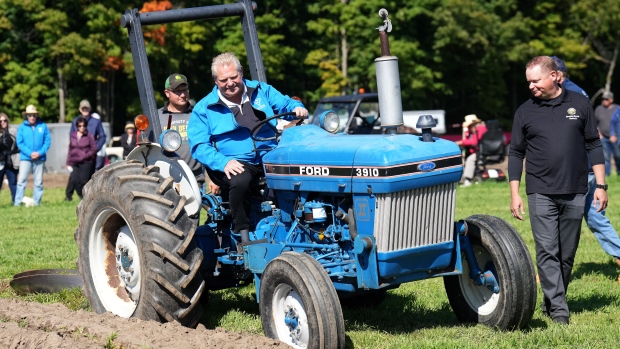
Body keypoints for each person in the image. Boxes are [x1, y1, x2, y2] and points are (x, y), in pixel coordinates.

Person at [509, 56, 606, 325]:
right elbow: (516, 152)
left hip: (576, 188)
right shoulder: (525, 112)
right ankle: (561, 312)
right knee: (547, 250)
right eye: (528, 82)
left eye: (536, 81)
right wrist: (515, 192)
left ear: (554, 76)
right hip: (540, 189)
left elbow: (593, 145)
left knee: (567, 253)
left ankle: (552, 301)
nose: (531, 86)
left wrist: (600, 185)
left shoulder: (579, 103)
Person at [188, 52, 308, 245]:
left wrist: (297, 107)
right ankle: (242, 235)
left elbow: (287, 104)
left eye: (234, 77)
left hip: (268, 156)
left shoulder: (261, 91)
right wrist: (223, 161)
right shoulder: (204, 108)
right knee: (240, 179)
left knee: (299, 172)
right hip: (232, 161)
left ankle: (299, 226)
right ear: (215, 80)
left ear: (241, 72)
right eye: (223, 79)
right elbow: (199, 145)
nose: (230, 83)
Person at [554, 56, 620, 268]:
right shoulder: (578, 92)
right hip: (589, 166)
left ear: (557, 76)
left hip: (578, 168)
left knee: (557, 217)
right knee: (594, 216)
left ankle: (551, 267)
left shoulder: (567, 95)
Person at [158, 73, 205, 184]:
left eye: (185, 90)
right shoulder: (157, 118)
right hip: (165, 180)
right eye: (177, 92)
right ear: (167, 93)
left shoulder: (198, 114)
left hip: (195, 179)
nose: (183, 95)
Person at [14, 105, 52, 207]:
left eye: (34, 115)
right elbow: (20, 143)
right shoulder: (22, 127)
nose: (32, 117)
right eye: (30, 115)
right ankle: (17, 203)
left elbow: (47, 141)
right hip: (25, 158)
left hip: (40, 157)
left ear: (36, 115)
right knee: (21, 181)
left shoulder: (43, 126)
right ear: (27, 116)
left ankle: (37, 202)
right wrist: (30, 153)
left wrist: (39, 153)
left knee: (38, 182)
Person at [65, 116, 97, 201]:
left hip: (86, 162)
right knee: (74, 179)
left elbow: (93, 149)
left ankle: (85, 198)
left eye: (83, 126)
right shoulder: (73, 135)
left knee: (84, 181)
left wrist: (84, 156)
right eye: (79, 126)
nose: (82, 127)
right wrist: (68, 163)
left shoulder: (89, 136)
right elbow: (70, 149)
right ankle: (80, 196)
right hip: (74, 161)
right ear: (77, 126)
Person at [71, 100, 106, 172]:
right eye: (83, 108)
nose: (85, 110)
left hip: (91, 155)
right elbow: (72, 136)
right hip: (78, 154)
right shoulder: (75, 121)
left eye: (86, 108)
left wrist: (96, 148)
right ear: (80, 109)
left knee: (90, 177)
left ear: (90, 109)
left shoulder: (96, 121)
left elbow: (102, 136)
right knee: (77, 179)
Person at [455, 114, 487, 187]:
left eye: (469, 126)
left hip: (481, 152)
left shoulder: (479, 129)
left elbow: (474, 141)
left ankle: (467, 180)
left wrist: (461, 142)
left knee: (470, 159)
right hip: (483, 151)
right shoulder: (481, 128)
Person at [594, 91, 619, 176]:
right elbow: (594, 122)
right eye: (603, 99)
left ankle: (619, 173)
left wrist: (615, 135)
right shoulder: (599, 109)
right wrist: (599, 133)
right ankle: (607, 175)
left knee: (618, 156)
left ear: (611, 100)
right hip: (603, 137)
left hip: (616, 138)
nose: (604, 100)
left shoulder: (617, 109)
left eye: (606, 99)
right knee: (606, 157)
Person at [0, 112, 18, 202]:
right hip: (1, 161)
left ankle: (16, 201)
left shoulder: (13, 131)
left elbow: (18, 145)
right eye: (0, 121)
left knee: (13, 182)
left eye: (5, 120)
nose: (3, 122)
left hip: (11, 160)